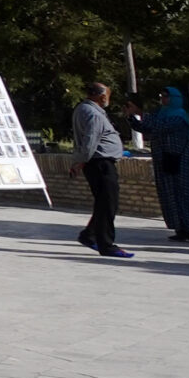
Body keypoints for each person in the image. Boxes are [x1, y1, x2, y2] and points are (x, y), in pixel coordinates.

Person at [71, 82, 133, 259]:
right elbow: (90, 141)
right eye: (108, 96)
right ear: (102, 96)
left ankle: (89, 235)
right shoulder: (93, 113)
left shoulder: (84, 109)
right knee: (108, 203)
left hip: (97, 162)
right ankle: (106, 244)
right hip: (100, 163)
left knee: (104, 202)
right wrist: (80, 161)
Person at [145, 86, 189, 243]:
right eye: (162, 96)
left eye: (166, 96)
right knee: (170, 195)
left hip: (180, 162)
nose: (163, 99)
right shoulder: (161, 114)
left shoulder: (179, 116)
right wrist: (132, 117)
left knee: (186, 196)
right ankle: (181, 229)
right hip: (165, 161)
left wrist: (141, 114)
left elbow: (159, 126)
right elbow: (146, 127)